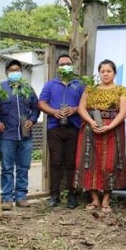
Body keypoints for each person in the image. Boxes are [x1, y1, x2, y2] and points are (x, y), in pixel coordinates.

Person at [74, 59, 126, 214]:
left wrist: (110, 126)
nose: (105, 74)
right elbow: (81, 109)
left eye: (109, 71)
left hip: (112, 130)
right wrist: (91, 122)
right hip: (90, 129)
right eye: (102, 71)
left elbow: (123, 112)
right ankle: (94, 199)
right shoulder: (90, 89)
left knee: (109, 164)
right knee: (90, 162)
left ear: (114, 73)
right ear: (99, 73)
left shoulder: (121, 90)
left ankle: (106, 199)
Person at [39, 54, 85, 208]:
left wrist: (75, 109)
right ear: (57, 67)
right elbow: (41, 103)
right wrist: (53, 112)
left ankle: (72, 196)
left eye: (68, 63)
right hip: (55, 128)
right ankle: (54, 195)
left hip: (74, 128)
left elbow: (87, 104)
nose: (65, 66)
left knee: (72, 163)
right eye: (62, 64)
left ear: (72, 66)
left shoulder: (80, 84)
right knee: (56, 162)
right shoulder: (50, 85)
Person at [0, 59, 40, 211]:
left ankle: (21, 196)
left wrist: (32, 120)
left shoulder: (28, 88)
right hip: (7, 135)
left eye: (17, 70)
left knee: (23, 167)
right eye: (12, 70)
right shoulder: (0, 89)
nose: (15, 72)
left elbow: (36, 108)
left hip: (25, 136)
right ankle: (6, 197)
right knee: (6, 168)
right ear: (6, 72)